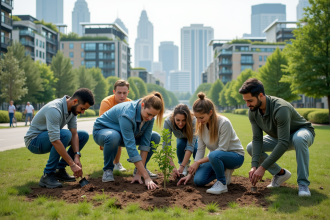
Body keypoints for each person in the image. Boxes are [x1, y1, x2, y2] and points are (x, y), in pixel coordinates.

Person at [239, 78, 315, 197]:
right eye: (245, 101)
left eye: (250, 101)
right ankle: (280, 174)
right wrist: (254, 166)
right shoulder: (253, 111)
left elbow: (283, 143)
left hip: (301, 132)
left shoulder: (281, 108)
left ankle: (303, 184)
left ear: (260, 95)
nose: (247, 105)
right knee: (251, 147)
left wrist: (263, 167)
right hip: (279, 136)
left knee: (299, 139)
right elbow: (257, 139)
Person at [24, 88, 95, 189]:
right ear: (75, 101)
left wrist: (76, 156)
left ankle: (59, 170)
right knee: (65, 134)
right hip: (34, 141)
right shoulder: (54, 109)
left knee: (83, 135)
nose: (82, 112)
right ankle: (47, 174)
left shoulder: (73, 110)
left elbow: (74, 133)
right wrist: (72, 164)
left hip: (51, 137)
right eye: (82, 108)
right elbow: (55, 141)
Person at [93, 92, 164, 190]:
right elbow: (131, 147)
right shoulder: (127, 114)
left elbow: (145, 144)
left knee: (155, 137)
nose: (150, 118)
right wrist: (147, 178)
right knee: (113, 136)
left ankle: (139, 169)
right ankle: (108, 170)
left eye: (153, 116)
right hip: (102, 132)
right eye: (148, 114)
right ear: (142, 105)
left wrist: (140, 173)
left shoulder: (149, 117)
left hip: (120, 134)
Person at [178, 93, 245, 195]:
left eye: (202, 117)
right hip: (215, 157)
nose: (199, 121)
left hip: (235, 157)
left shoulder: (224, 123)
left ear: (210, 112)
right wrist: (190, 175)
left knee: (214, 154)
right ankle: (224, 171)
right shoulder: (201, 125)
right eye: (197, 117)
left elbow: (222, 149)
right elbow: (200, 149)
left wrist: (198, 162)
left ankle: (222, 183)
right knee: (198, 181)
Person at [99, 80, 132, 172]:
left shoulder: (131, 104)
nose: (122, 96)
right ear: (114, 92)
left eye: (124, 93)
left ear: (128, 92)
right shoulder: (106, 102)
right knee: (114, 135)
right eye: (119, 93)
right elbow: (103, 123)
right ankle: (111, 166)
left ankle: (140, 167)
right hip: (107, 131)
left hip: (125, 131)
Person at [163, 104, 198, 177]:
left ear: (188, 119)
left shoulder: (194, 121)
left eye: (184, 120)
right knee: (180, 145)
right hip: (181, 137)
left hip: (194, 137)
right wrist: (172, 167)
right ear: (173, 117)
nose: (181, 123)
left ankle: (197, 166)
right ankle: (185, 166)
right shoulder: (168, 122)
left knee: (195, 148)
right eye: (177, 120)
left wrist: (181, 166)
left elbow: (190, 146)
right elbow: (166, 146)